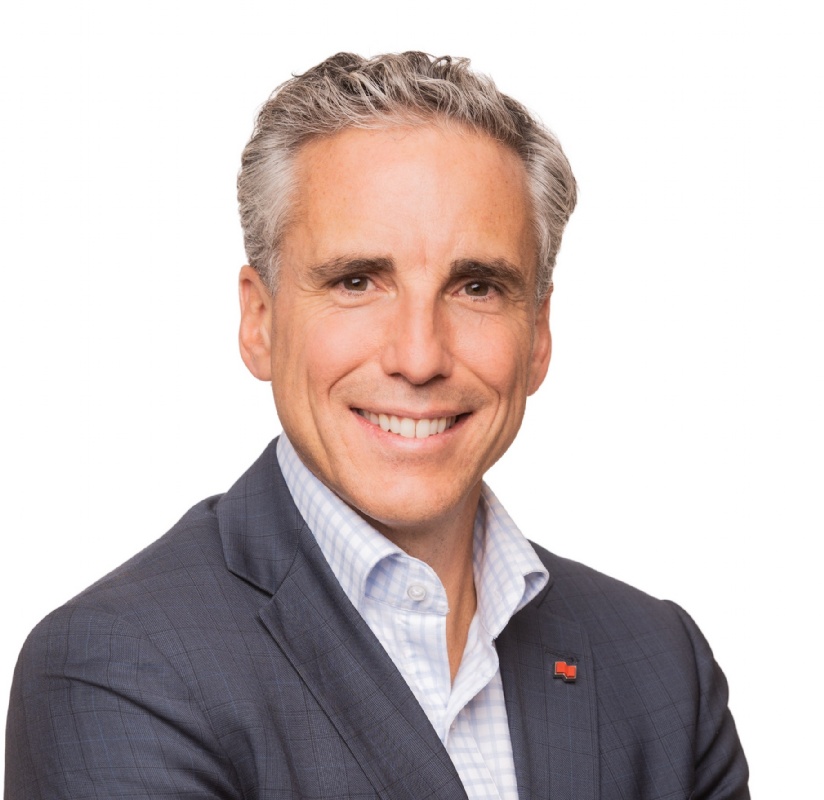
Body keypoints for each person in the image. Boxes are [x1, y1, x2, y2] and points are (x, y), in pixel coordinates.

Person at [5, 52, 749, 799]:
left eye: (477, 287)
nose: (419, 357)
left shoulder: (661, 667)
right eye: (357, 281)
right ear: (259, 321)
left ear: (538, 335)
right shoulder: (116, 668)